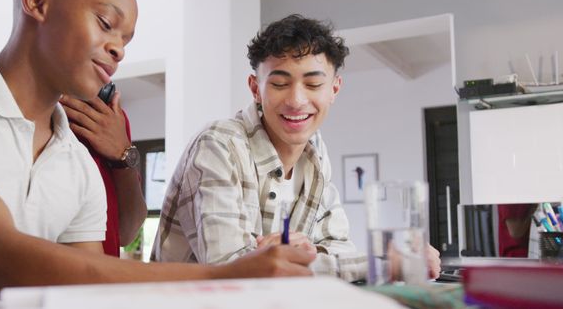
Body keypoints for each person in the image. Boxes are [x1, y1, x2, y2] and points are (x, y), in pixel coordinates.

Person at [0, 0, 314, 308]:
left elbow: (87, 295)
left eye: (126, 38)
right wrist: (222, 277)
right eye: (106, 23)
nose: (119, 49)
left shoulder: (78, 163)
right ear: (37, 1)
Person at [153, 14, 441, 281]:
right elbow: (232, 268)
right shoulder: (219, 145)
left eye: (313, 84)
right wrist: (382, 262)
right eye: (279, 83)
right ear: (256, 89)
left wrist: (290, 255)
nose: (296, 100)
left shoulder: (315, 154)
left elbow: (339, 247)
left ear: (334, 90)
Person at [60, 91, 146, 256]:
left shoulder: (110, 118)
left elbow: (126, 233)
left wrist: (123, 155)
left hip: (99, 276)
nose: (118, 62)